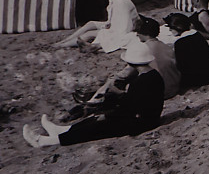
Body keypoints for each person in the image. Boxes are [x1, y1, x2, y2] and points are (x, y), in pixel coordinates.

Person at [23, 42, 164, 147]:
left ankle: (44, 141)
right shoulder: (155, 76)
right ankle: (61, 131)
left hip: (139, 124)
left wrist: (108, 114)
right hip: (150, 120)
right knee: (96, 120)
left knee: (96, 127)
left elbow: (127, 109)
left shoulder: (139, 82)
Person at [164, 12, 209, 88]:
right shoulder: (197, 35)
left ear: (178, 27)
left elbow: (181, 65)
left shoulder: (179, 43)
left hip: (197, 79)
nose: (170, 30)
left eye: (171, 28)